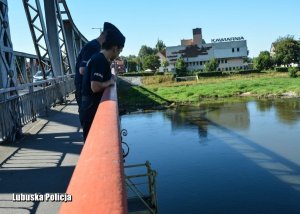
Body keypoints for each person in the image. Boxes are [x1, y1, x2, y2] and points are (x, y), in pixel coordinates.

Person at [80, 25, 125, 141]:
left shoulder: (99, 58)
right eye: (120, 50)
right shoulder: (100, 60)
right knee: (92, 141)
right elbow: (95, 86)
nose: (119, 54)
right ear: (115, 48)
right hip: (90, 108)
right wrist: (110, 82)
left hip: (88, 106)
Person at [74, 22, 120, 112]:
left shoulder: (95, 46)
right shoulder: (93, 47)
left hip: (86, 95)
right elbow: (82, 70)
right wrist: (104, 81)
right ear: (106, 36)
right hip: (87, 97)